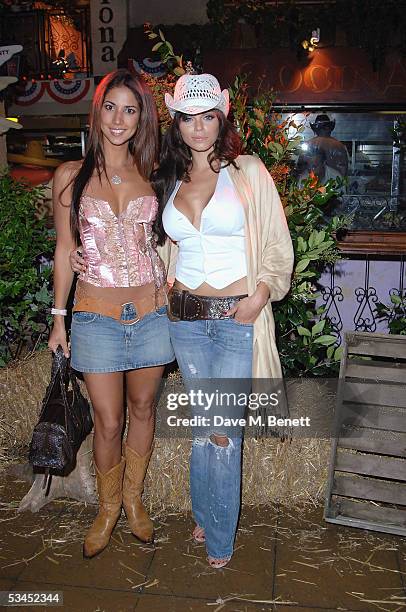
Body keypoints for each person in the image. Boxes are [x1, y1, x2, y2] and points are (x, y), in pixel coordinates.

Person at [154, 74, 294, 568]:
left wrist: (259, 296)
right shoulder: (168, 177)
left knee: (223, 433)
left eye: (207, 116)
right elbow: (154, 244)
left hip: (237, 319)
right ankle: (206, 510)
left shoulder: (248, 171)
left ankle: (219, 538)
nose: (198, 127)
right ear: (178, 122)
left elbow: (277, 243)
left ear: (222, 117)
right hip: (186, 321)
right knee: (201, 426)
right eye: (188, 117)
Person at [48, 69, 175, 559]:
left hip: (150, 313)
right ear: (96, 112)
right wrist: (59, 320)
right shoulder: (70, 177)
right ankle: (107, 508)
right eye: (110, 107)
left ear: (141, 116)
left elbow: (174, 237)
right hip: (96, 315)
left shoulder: (157, 175)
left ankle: (136, 502)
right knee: (107, 420)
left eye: (130, 109)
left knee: (143, 410)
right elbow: (64, 250)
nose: (119, 119)